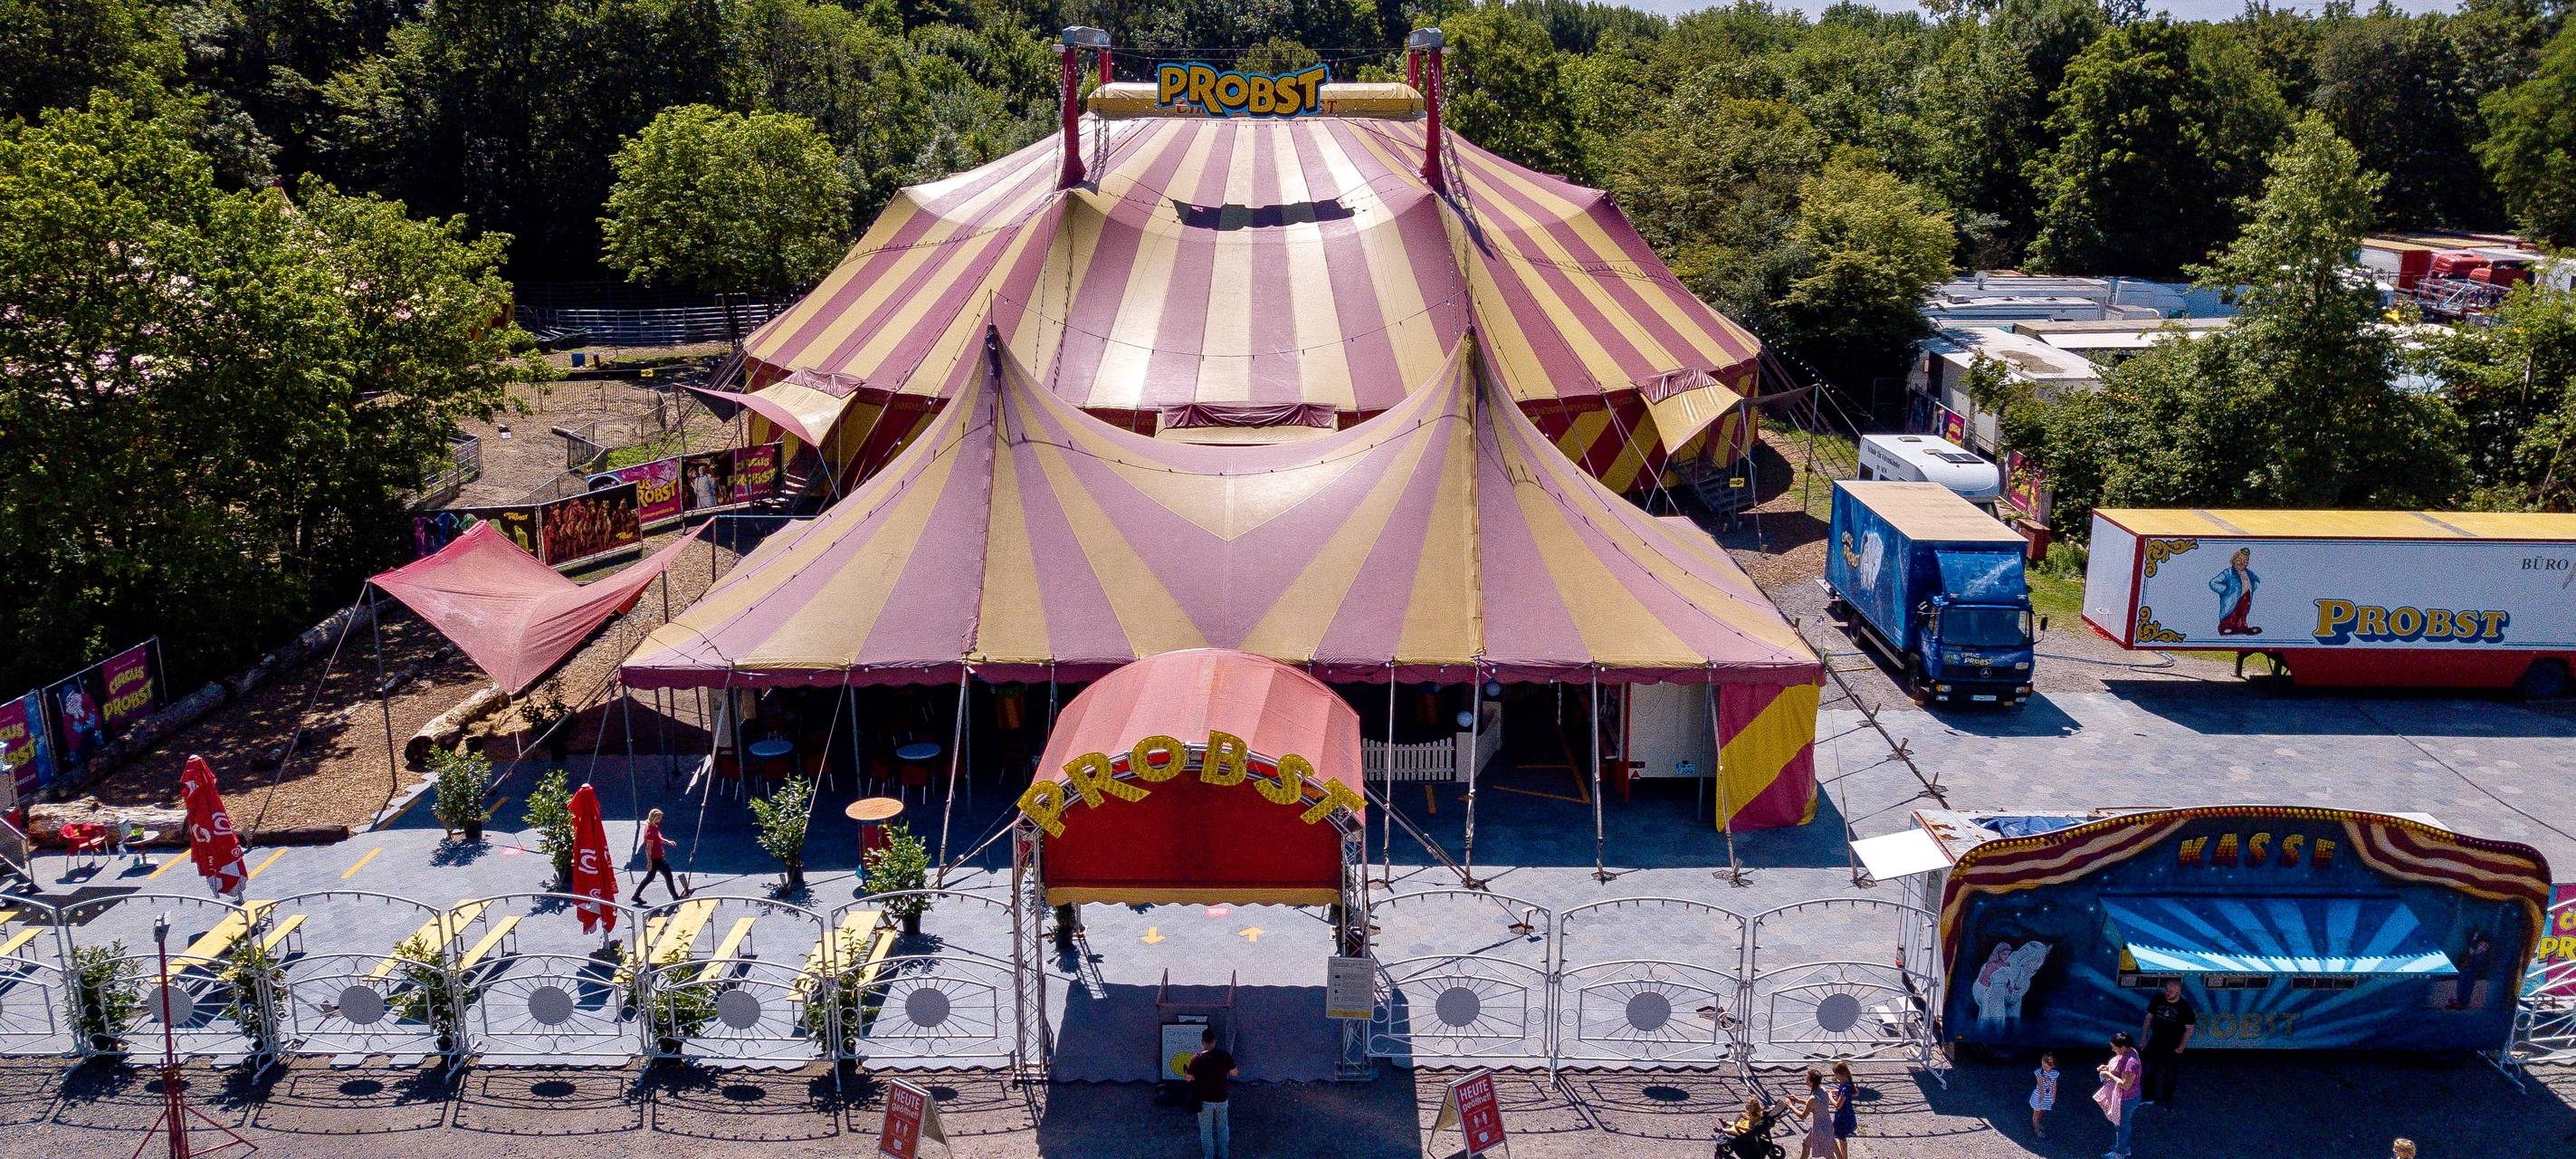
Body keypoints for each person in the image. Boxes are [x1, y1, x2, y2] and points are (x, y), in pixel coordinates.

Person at [2140, 979, 2195, 1108]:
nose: (2167, 992)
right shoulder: (2158, 999)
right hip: (2155, 1041)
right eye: (2166, 989)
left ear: (2178, 991)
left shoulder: (2185, 1007)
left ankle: (2167, 1100)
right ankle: (2148, 1097)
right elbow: (2149, 1018)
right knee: (2150, 1070)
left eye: (2171, 990)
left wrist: (2181, 1047)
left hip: (2172, 1046)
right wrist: (2143, 1036)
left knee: (2170, 1074)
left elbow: (2190, 1028)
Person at [1186, 1026, 1236, 1159]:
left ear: (1202, 1041)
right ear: (1215, 1041)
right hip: (1221, 1097)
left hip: (1204, 1100)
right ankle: (1224, 1155)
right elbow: (1234, 1072)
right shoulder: (1225, 1056)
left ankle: (1209, 1156)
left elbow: (1189, 1078)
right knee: (1223, 1129)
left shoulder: (1196, 1059)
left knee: (1206, 1131)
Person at [2098, 1031, 2143, 1158]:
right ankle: (2124, 1148)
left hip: (2127, 1100)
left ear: (2123, 1047)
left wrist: (2108, 1075)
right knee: (2124, 1124)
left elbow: (2125, 1085)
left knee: (2121, 1126)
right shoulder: (2130, 1051)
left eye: (2114, 1047)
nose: (2112, 1049)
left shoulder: (2131, 1063)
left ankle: (2120, 1153)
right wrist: (2107, 1068)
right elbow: (2118, 1068)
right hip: (2130, 1098)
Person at [631, 808, 684, 902]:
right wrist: (649, 862)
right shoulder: (650, 832)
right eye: (659, 818)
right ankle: (675, 897)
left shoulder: (653, 827)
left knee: (649, 878)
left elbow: (658, 838)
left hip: (657, 858)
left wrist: (667, 842)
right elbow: (648, 848)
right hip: (656, 859)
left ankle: (636, 896)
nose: (660, 820)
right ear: (654, 818)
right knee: (668, 876)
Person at [1785, 1068, 1835, 1159]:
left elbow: (1803, 1116)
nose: (1805, 1079)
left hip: (1820, 1128)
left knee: (1828, 1154)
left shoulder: (1813, 1098)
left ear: (1811, 1082)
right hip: (1826, 1125)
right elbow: (1815, 1105)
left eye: (1807, 1078)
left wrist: (1791, 1106)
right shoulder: (1823, 1090)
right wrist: (1799, 1100)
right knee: (1806, 1144)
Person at [1830, 1060, 1857, 1158]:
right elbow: (1855, 1093)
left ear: (1838, 1074)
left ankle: (1842, 1157)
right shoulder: (1847, 1084)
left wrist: (1830, 1096)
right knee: (1841, 1138)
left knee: (1839, 1138)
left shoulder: (1845, 1087)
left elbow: (1838, 1105)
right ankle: (1842, 1156)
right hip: (1847, 1114)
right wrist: (1838, 1092)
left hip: (1843, 1117)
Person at [2030, 1051, 2059, 1138]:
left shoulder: (2055, 1074)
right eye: (2043, 1064)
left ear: (2053, 1066)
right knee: (2036, 1112)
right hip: (2039, 1096)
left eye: (2047, 1066)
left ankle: (2037, 1123)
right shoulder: (2039, 1072)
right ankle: (2036, 1129)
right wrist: (2041, 1097)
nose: (2044, 1067)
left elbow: (2054, 1086)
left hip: (2048, 1096)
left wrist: (2053, 1097)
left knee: (2042, 1111)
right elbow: (2040, 1085)